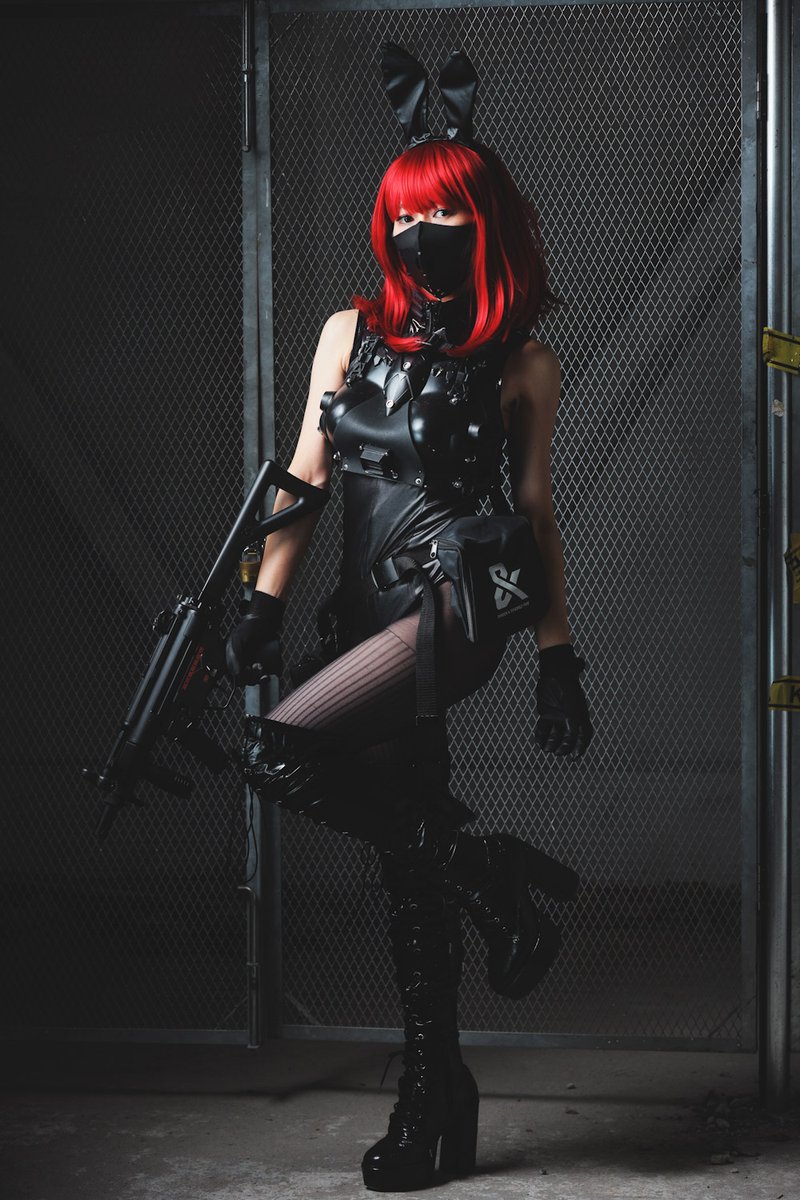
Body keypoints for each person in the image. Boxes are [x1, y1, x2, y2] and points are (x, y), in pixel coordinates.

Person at [225, 42, 593, 1194]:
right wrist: (261, 603)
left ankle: (488, 870)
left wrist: (557, 658)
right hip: (364, 614)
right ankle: (436, 1091)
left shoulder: (520, 362)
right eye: (403, 218)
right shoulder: (348, 335)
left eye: (442, 218)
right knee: (404, 865)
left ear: (482, 226)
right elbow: (302, 481)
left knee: (278, 749)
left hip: (454, 612)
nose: (418, 237)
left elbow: (532, 513)